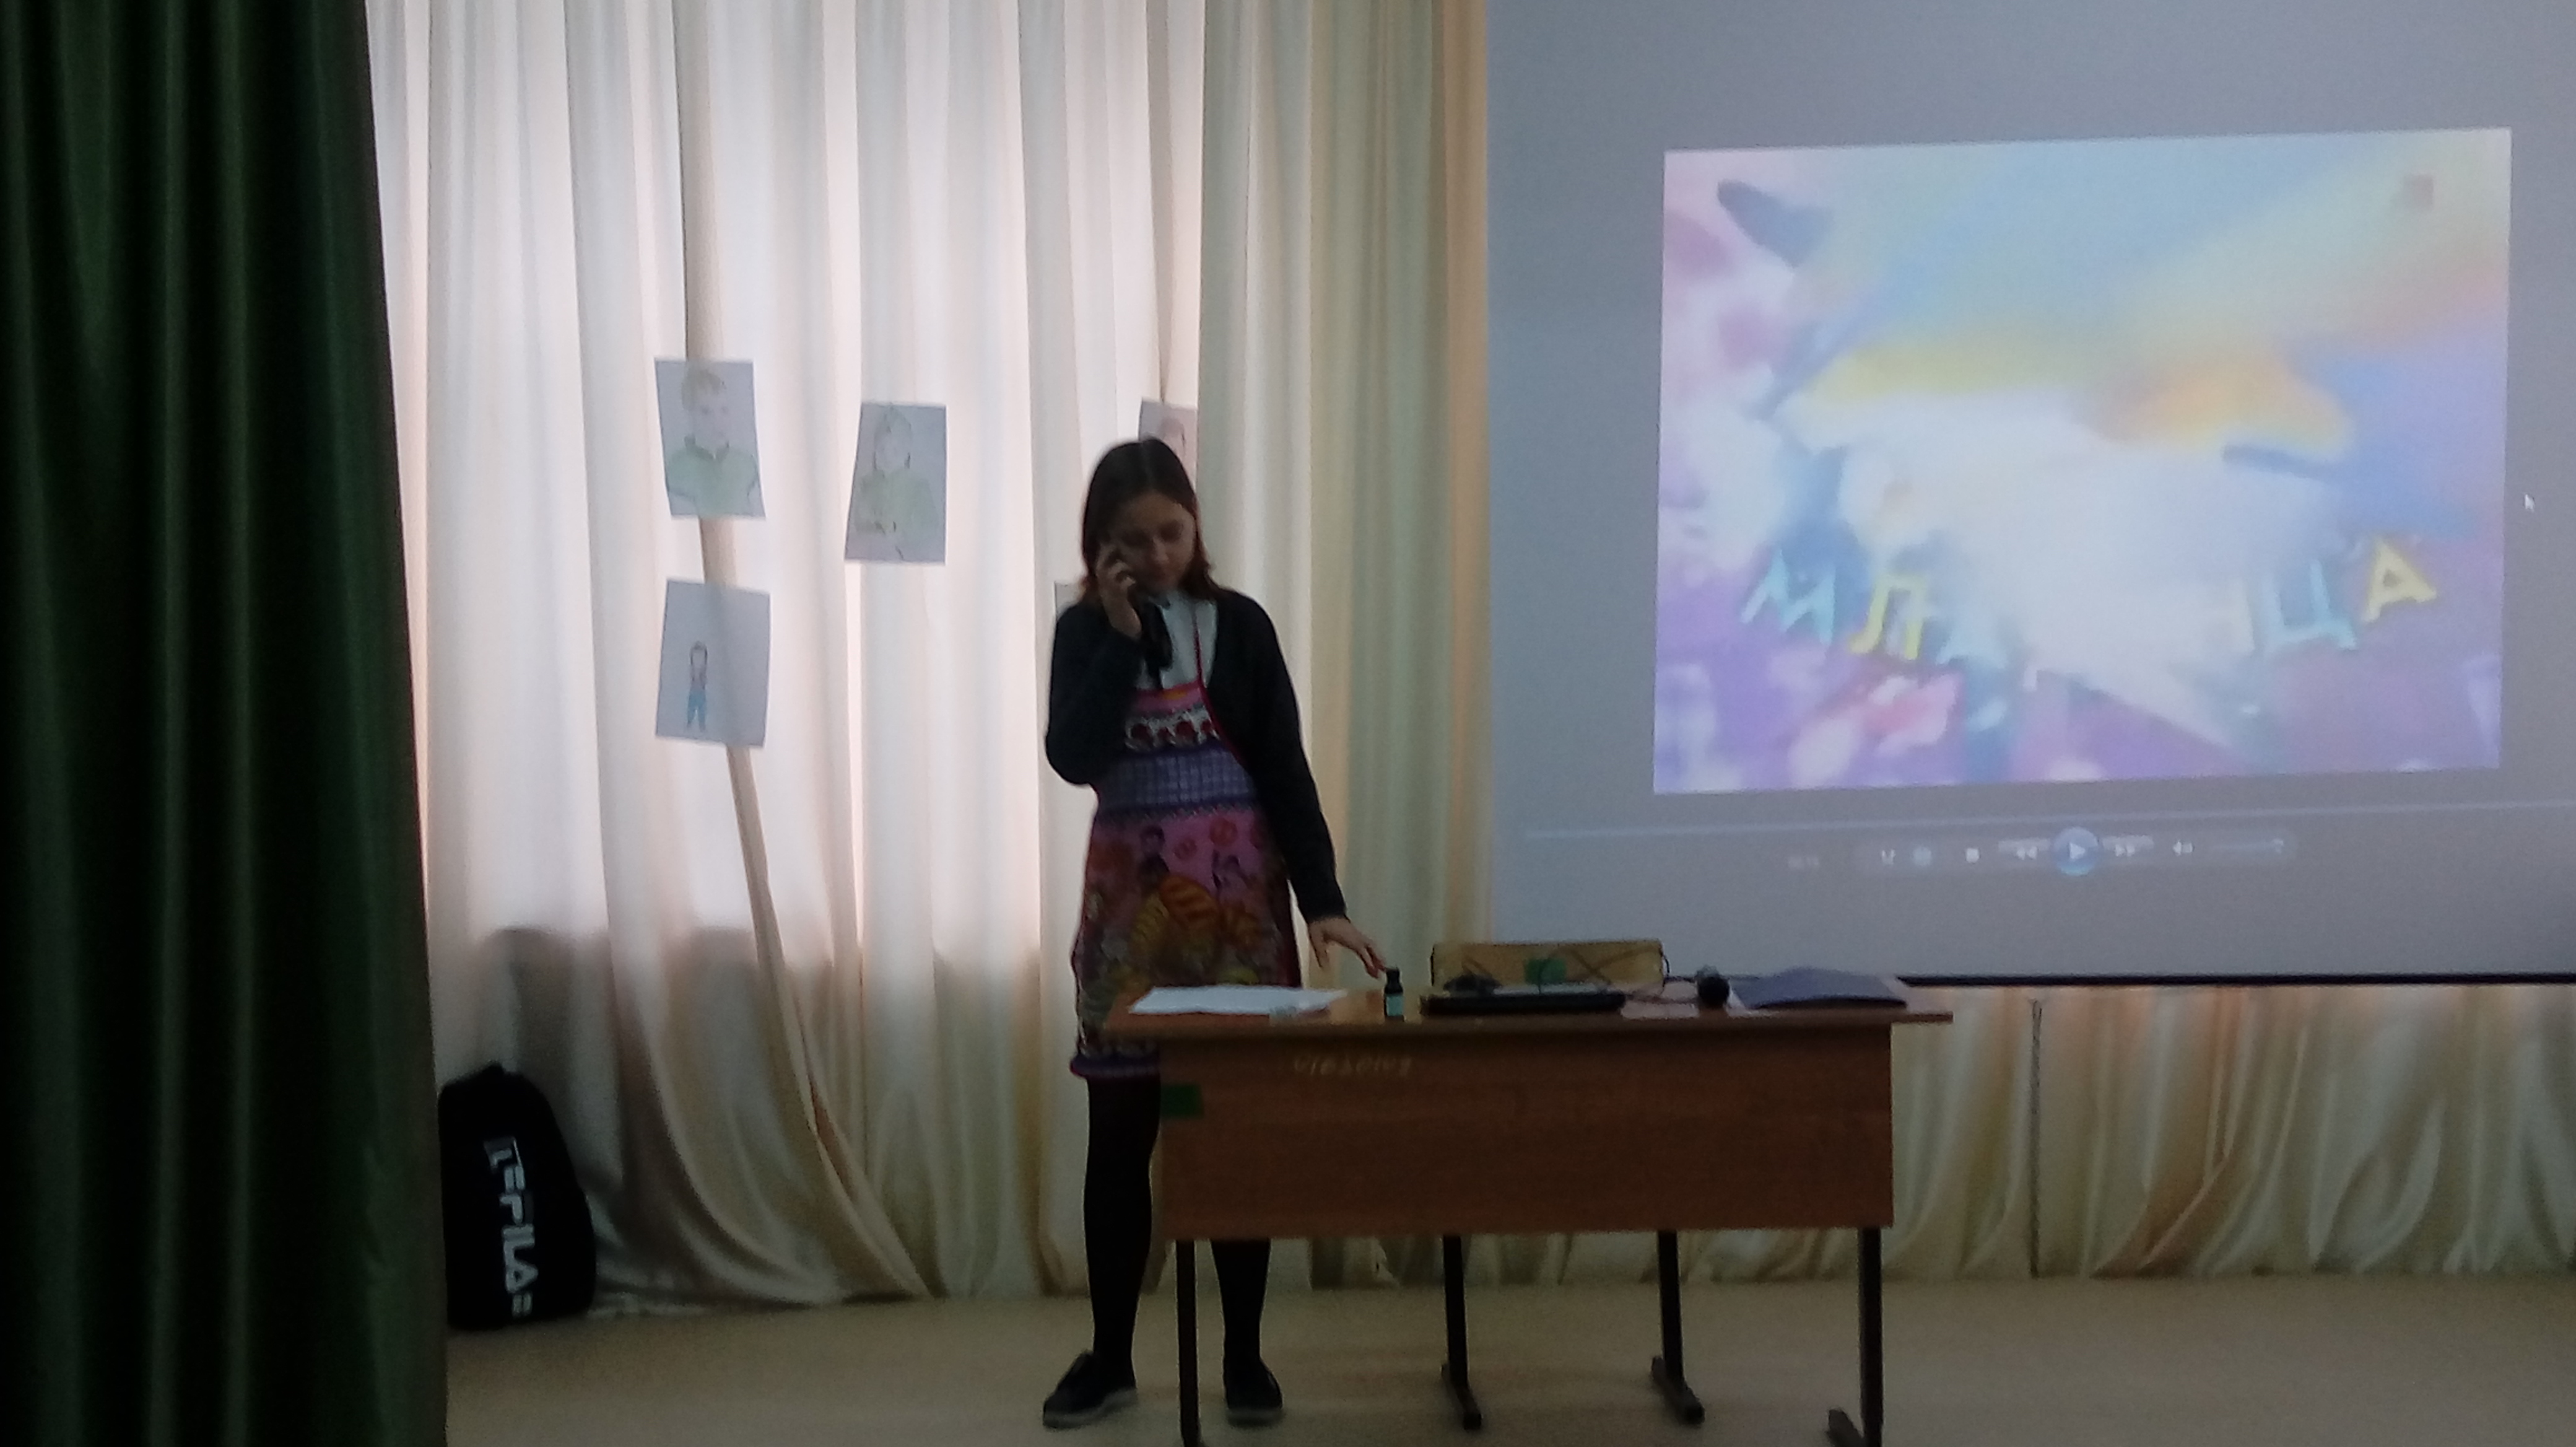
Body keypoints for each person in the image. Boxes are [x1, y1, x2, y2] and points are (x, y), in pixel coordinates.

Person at [1041, 437, 1385, 1431]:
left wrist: (1322, 900)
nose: (1158, 555)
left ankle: (1243, 1356)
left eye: (1172, 533)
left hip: (1240, 919)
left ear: (1196, 526)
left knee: (1231, 1139)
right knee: (1121, 1139)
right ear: (1100, 548)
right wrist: (1120, 636)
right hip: (1130, 923)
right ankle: (1111, 1356)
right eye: (1134, 541)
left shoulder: (1241, 627)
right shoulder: (1081, 634)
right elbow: (1074, 756)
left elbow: (1283, 768)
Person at [664, 362, 762, 516]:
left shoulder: (746, 464)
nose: (717, 421)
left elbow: (756, 512)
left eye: (724, 410)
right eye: (706, 412)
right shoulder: (677, 469)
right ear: (689, 414)